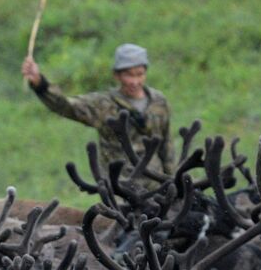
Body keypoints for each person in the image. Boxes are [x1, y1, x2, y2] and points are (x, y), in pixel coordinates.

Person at [22, 43, 175, 178]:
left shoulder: (158, 102)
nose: (135, 81)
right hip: (120, 190)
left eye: (140, 74)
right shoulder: (102, 105)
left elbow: (166, 145)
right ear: (117, 75)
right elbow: (66, 106)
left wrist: (173, 180)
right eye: (129, 75)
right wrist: (40, 83)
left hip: (156, 185)